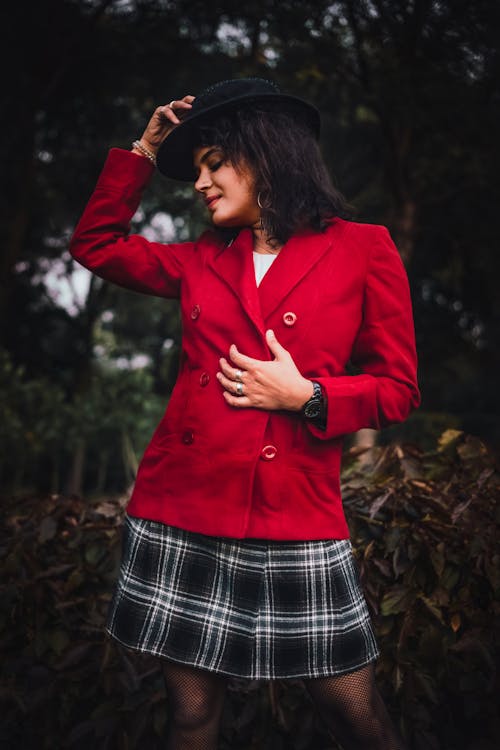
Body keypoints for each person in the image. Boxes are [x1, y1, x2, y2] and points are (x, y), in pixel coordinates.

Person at [70, 77, 420, 750]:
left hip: (296, 511)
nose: (199, 184)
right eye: (193, 171)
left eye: (212, 165)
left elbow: (398, 387)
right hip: (185, 509)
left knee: (353, 709)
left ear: (266, 155)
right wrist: (143, 150)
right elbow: (97, 245)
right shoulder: (200, 258)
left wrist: (308, 396)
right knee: (193, 715)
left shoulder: (363, 247)